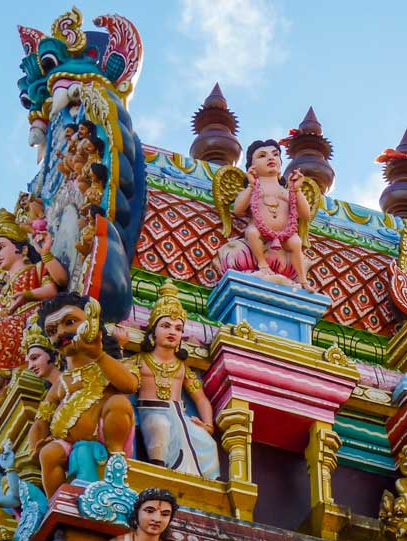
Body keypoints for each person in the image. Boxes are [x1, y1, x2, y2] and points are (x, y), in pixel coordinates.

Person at [29, 292, 138, 497]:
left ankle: (116, 462)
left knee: (118, 402)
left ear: (92, 323)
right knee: (49, 454)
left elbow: (130, 385)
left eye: (69, 322)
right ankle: (57, 501)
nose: (61, 333)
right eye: (52, 330)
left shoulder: (107, 365)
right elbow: (41, 420)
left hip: (107, 436)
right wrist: (37, 445)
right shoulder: (60, 384)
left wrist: (98, 355)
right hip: (67, 443)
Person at [117, 280, 220, 479]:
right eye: (166, 326)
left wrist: (208, 424)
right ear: (153, 331)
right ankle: (159, 473)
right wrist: (120, 348)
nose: (173, 332)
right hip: (151, 410)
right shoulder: (141, 361)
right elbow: (121, 381)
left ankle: (204, 484)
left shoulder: (182, 368)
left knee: (207, 443)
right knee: (160, 427)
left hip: (179, 415)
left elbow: (200, 398)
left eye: (178, 328)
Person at [0, 208, 66, 392]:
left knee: (3, 327)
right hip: (10, 337)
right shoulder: (4, 292)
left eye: (0, 247)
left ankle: (14, 368)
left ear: (23, 249)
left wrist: (27, 296)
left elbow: (52, 289)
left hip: (35, 322)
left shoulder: (35, 269)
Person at [233, 139, 312, 288]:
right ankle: (262, 264)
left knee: (296, 242)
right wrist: (250, 185)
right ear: (252, 166)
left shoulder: (286, 191)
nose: (271, 158)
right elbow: (237, 209)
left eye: (275, 154)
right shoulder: (255, 188)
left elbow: (305, 214)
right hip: (260, 231)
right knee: (251, 232)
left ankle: (302, 280)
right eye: (262, 156)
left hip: (285, 234)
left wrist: (297, 189)